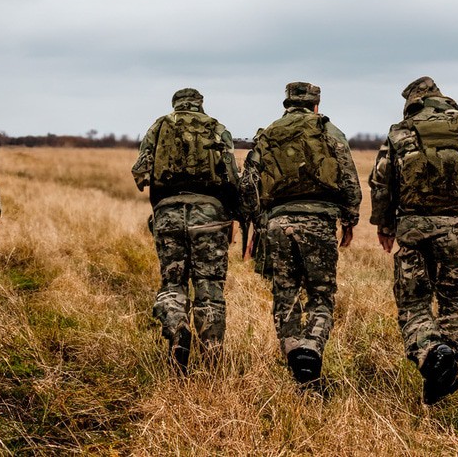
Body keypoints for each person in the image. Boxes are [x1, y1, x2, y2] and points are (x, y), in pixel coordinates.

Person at [369, 76, 458, 405]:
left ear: (412, 102)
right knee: (454, 306)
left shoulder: (401, 130)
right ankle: (447, 371)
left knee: (413, 304)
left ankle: (431, 353)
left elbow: (381, 181)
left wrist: (384, 225)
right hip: (457, 227)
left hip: (413, 228)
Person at [244, 82, 361, 385]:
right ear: (316, 105)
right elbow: (349, 177)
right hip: (319, 222)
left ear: (286, 104)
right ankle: (311, 349)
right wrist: (350, 220)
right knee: (321, 296)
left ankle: (295, 356)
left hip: (277, 224)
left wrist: (258, 225)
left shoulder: (268, 133)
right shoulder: (329, 131)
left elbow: (249, 184)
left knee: (285, 297)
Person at [131, 88, 242, 371]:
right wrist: (232, 216)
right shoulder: (217, 128)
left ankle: (177, 329)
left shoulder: (158, 127)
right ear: (200, 105)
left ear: (175, 104)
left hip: (168, 215)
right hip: (210, 216)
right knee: (209, 286)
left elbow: (140, 173)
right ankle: (211, 356)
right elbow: (232, 178)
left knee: (173, 282)